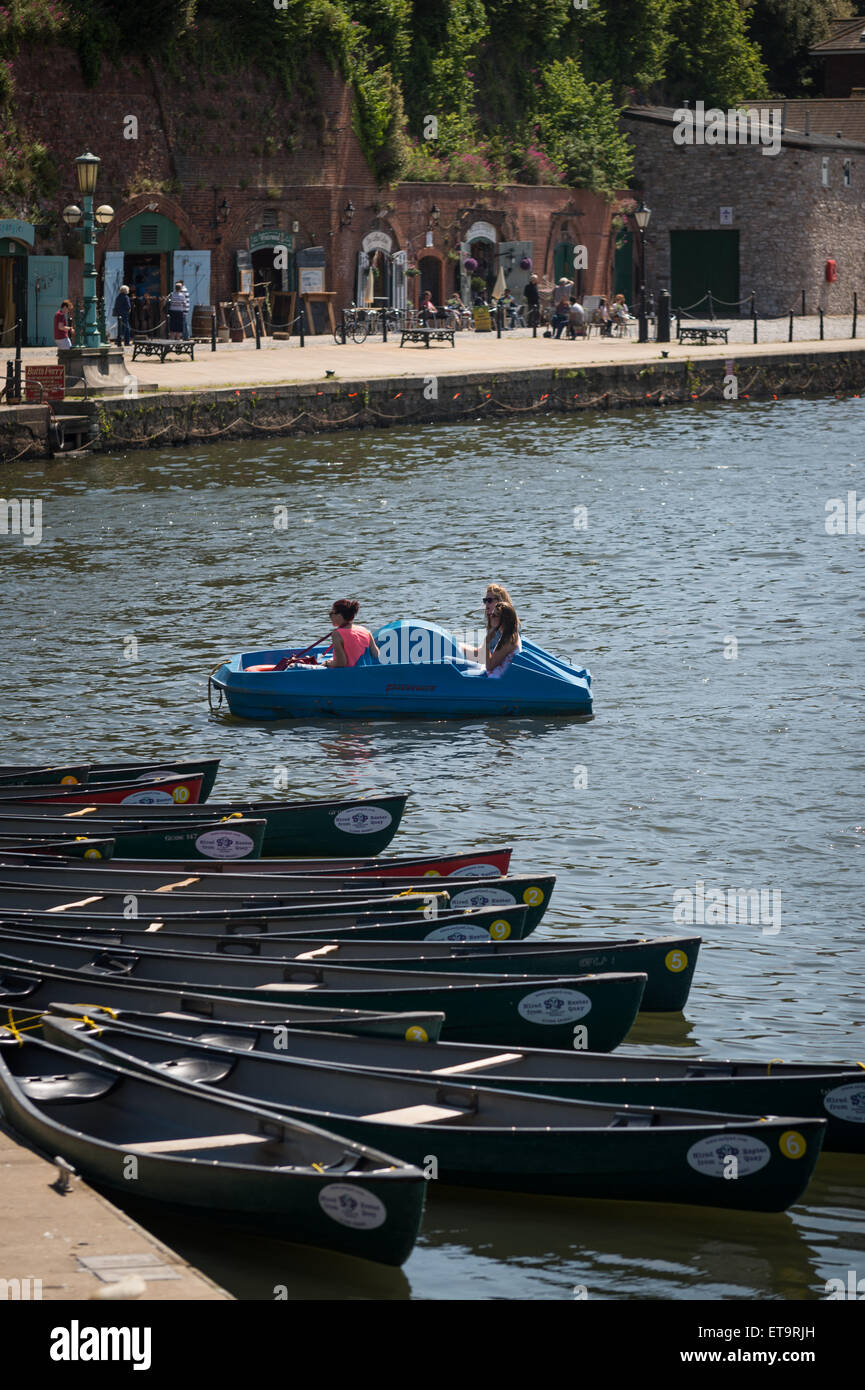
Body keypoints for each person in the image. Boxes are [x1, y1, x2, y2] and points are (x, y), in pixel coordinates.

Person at [461, 583, 520, 660]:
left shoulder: (508, 625)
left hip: (492, 661)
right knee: (456, 647)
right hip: (487, 657)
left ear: (500, 602)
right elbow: (482, 651)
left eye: (489, 600)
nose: (486, 604)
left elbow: (493, 659)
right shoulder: (493, 622)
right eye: (485, 601)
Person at [325, 599, 379, 668]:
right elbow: (376, 654)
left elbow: (341, 663)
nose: (330, 616)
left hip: (348, 676)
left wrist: (327, 663)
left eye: (331, 613)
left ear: (340, 615)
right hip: (367, 674)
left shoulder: (337, 634)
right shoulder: (365, 630)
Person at [486, 600, 522, 678]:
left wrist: (487, 642)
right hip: (496, 675)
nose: (490, 616)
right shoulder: (511, 635)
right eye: (492, 614)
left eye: (494, 615)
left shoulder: (508, 640)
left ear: (503, 620)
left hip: (494, 681)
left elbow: (489, 666)